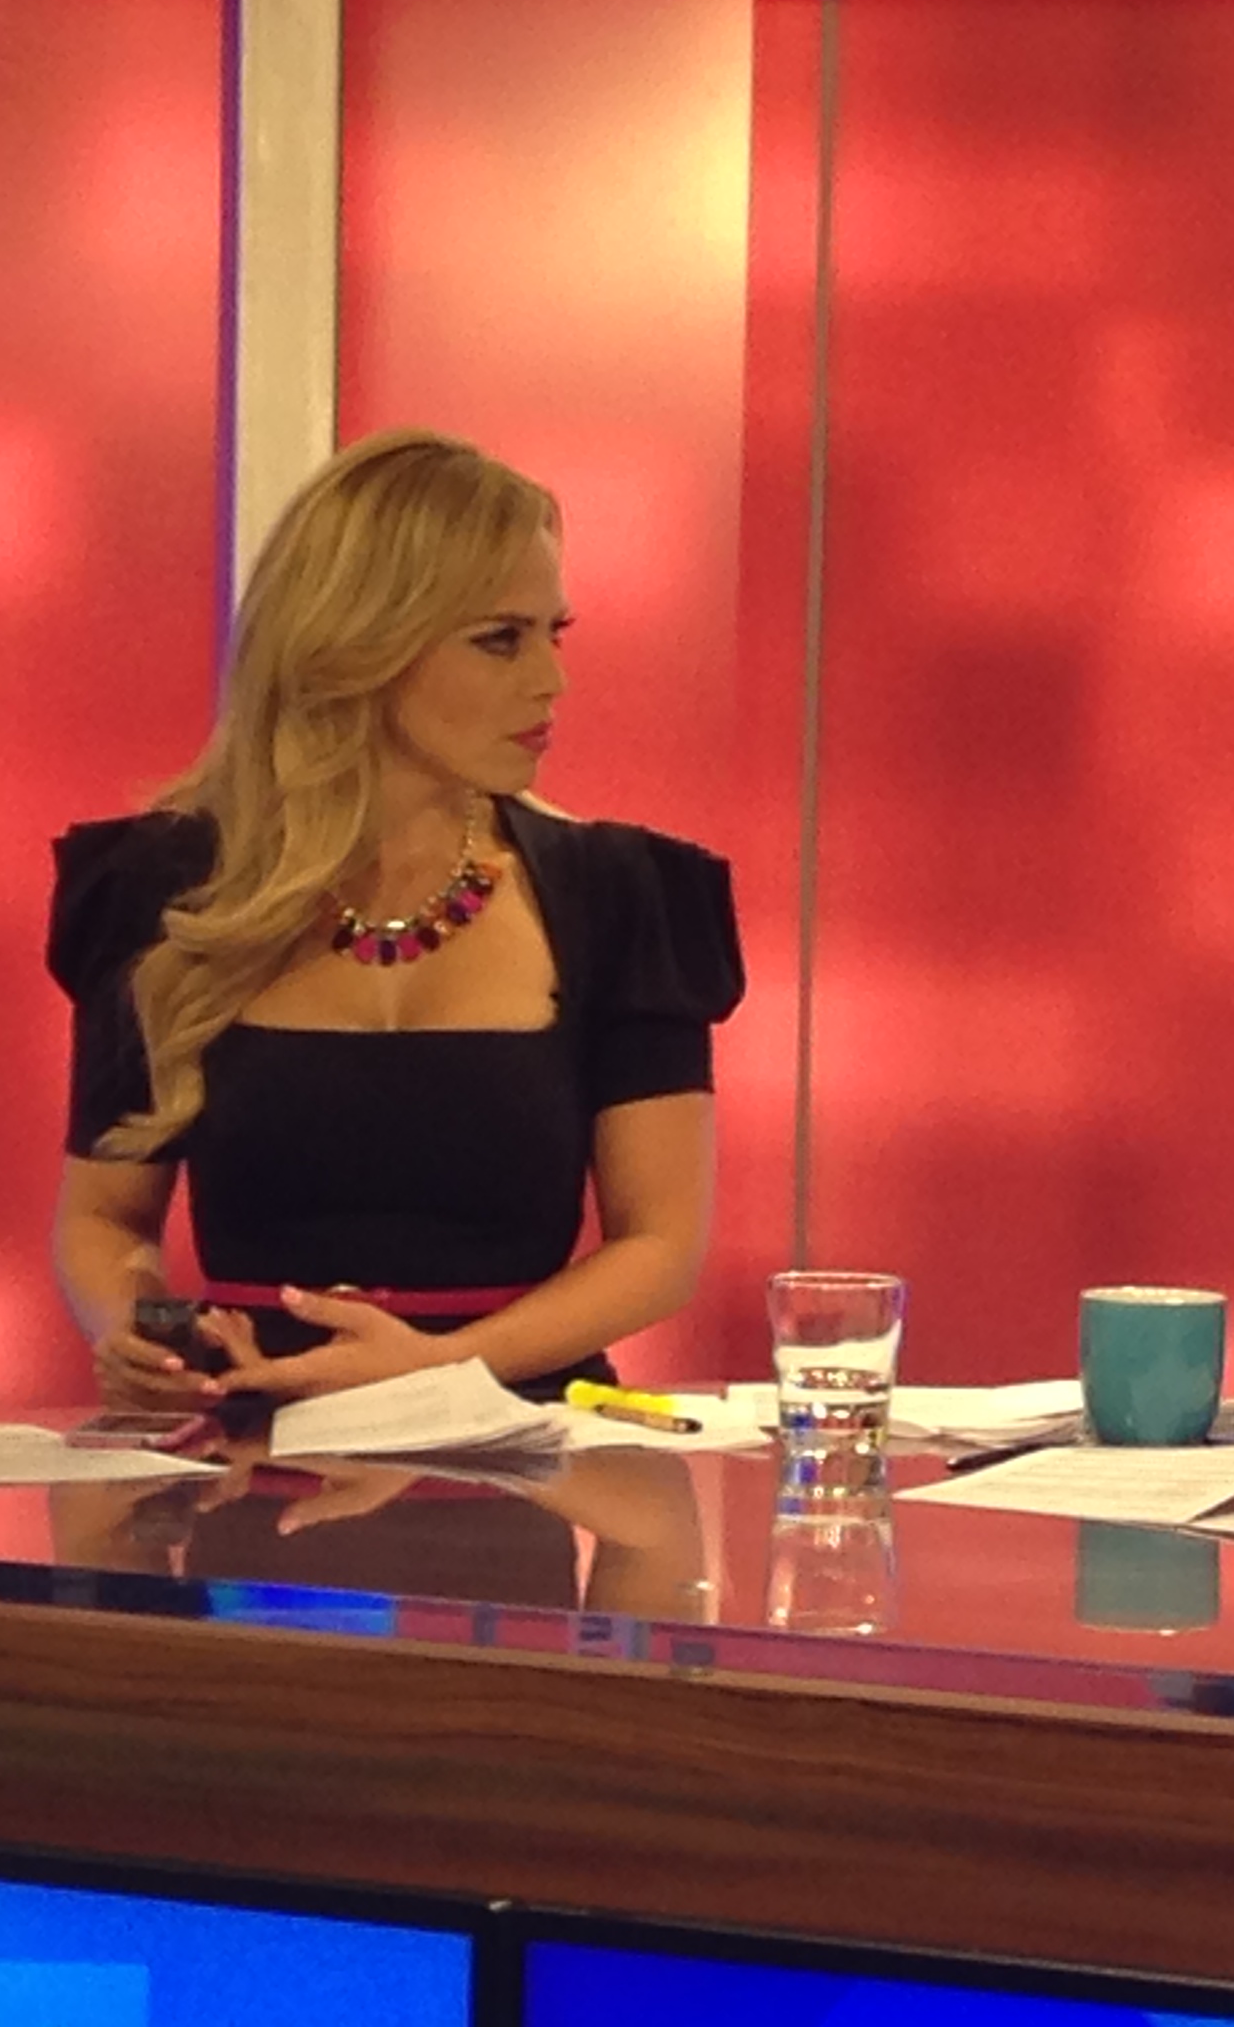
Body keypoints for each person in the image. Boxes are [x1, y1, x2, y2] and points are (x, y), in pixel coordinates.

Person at [48, 429, 744, 1408]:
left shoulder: (620, 891)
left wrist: (433, 1370)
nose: (551, 680)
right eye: (501, 639)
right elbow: (105, 1217)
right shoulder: (165, 888)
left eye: (555, 633)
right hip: (251, 1430)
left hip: (514, 1429)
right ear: (361, 643)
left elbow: (658, 1246)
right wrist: (143, 1331)